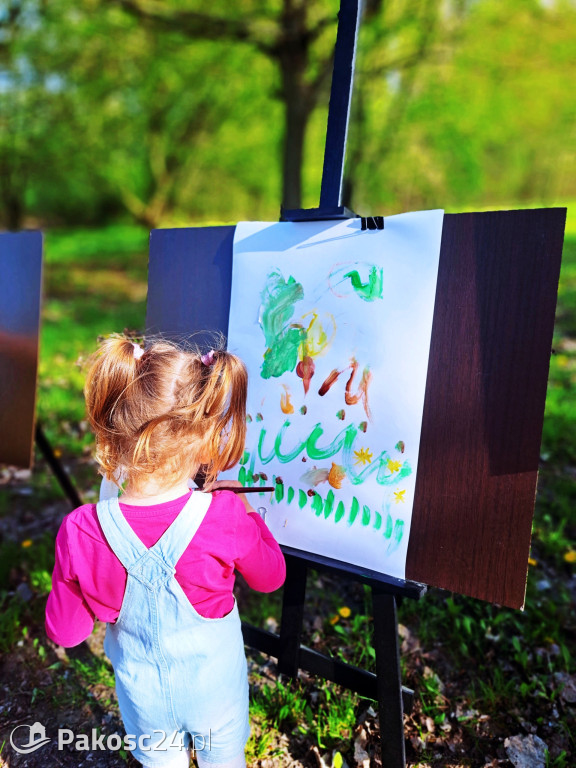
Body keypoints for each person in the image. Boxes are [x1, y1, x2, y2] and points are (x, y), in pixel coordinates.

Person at [45, 335, 286, 768]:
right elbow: (271, 577)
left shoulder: (80, 530)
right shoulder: (225, 514)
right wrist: (246, 507)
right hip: (217, 698)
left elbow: (67, 633)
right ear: (204, 437)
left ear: (114, 430)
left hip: (145, 706)